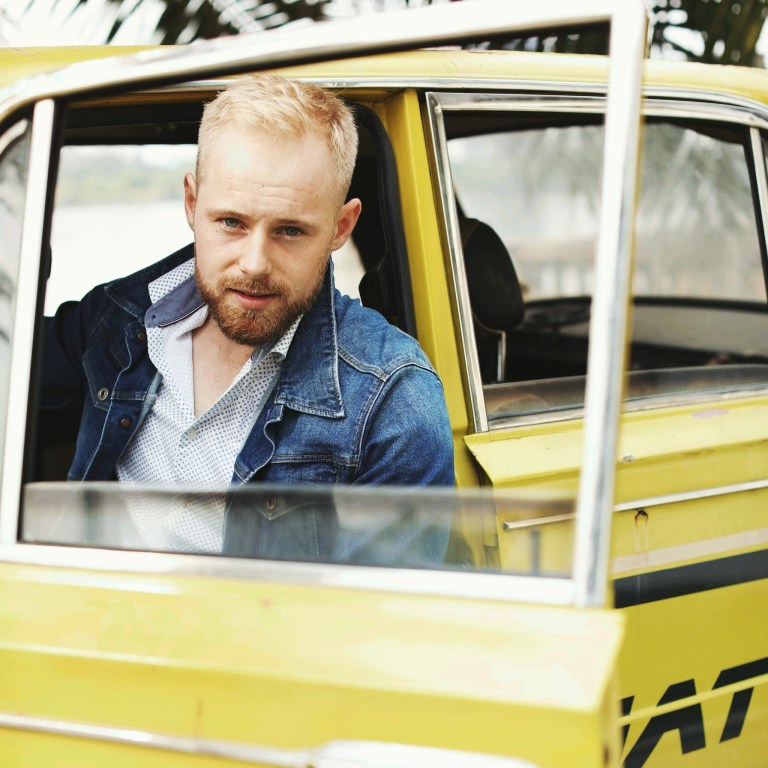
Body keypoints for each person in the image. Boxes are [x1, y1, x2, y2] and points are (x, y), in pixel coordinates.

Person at [41, 74, 454, 557]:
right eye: (231, 222)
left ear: (341, 227)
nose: (254, 264)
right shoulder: (117, 318)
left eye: (290, 231)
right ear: (192, 203)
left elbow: (379, 604)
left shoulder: (394, 403)